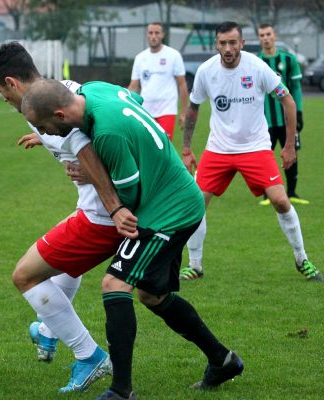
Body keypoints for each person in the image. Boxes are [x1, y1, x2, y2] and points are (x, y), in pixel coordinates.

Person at [21, 78, 243, 400]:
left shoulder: (107, 134)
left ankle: (120, 391)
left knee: (115, 284)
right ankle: (223, 360)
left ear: (59, 114)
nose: (48, 134)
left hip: (169, 210)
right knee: (152, 295)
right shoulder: (95, 90)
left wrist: (96, 176)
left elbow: (130, 195)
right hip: (176, 196)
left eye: (46, 128)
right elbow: (135, 104)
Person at [0, 41, 125, 393]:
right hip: (101, 212)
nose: (7, 102)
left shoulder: (62, 124)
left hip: (104, 218)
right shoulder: (67, 95)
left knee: (25, 276)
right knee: (63, 264)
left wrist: (108, 197)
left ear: (13, 83)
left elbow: (95, 150)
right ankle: (47, 331)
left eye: (3, 95)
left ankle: (88, 355)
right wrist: (40, 136)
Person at [179, 21, 321, 282]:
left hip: (255, 148)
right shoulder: (206, 71)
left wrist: (290, 146)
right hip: (218, 149)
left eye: (233, 42)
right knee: (195, 203)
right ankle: (195, 265)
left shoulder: (257, 67)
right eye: (223, 43)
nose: (228, 48)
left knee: (280, 200)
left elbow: (287, 99)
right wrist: (187, 148)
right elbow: (193, 108)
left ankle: (303, 259)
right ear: (217, 45)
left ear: (242, 43)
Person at [257, 23, 308, 206]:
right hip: (265, 121)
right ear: (259, 38)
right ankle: (266, 194)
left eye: (268, 34)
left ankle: (292, 191)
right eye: (261, 35)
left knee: (291, 152)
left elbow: (296, 88)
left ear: (275, 35)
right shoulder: (255, 61)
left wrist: (299, 112)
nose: (265, 38)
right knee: (264, 156)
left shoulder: (288, 59)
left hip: (287, 120)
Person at [128, 22, 188, 141]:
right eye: (151, 33)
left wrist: (184, 112)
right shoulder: (140, 58)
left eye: (157, 33)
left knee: (163, 146)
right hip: (145, 110)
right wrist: (120, 101)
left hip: (167, 109)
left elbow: (182, 84)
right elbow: (134, 86)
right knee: (147, 146)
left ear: (162, 35)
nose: (153, 36)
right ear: (147, 35)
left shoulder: (173, 55)